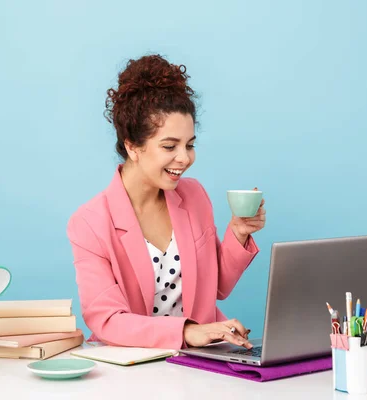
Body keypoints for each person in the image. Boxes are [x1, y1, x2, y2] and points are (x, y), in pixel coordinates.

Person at [66, 54, 266, 350]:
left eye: (190, 145)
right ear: (132, 147)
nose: (185, 158)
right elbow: (107, 320)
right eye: (170, 146)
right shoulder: (89, 223)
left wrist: (239, 233)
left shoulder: (194, 196)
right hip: (129, 368)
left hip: (197, 363)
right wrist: (186, 332)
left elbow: (217, 287)